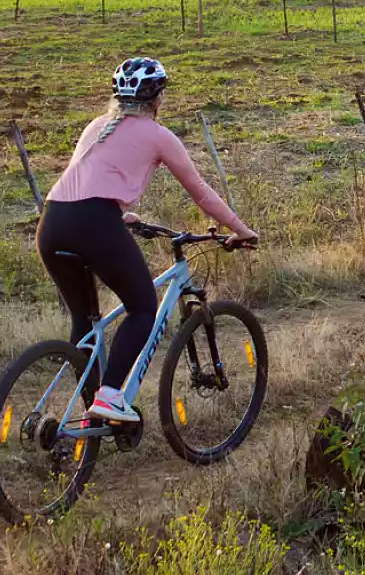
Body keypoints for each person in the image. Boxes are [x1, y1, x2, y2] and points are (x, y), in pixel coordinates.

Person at [38, 57, 258, 422]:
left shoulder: (96, 126)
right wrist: (239, 229)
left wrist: (119, 215)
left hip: (53, 222)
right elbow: (200, 193)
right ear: (156, 99)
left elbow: (85, 185)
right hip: (94, 222)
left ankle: (90, 417)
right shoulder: (158, 135)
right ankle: (109, 398)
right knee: (142, 308)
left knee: (84, 319)